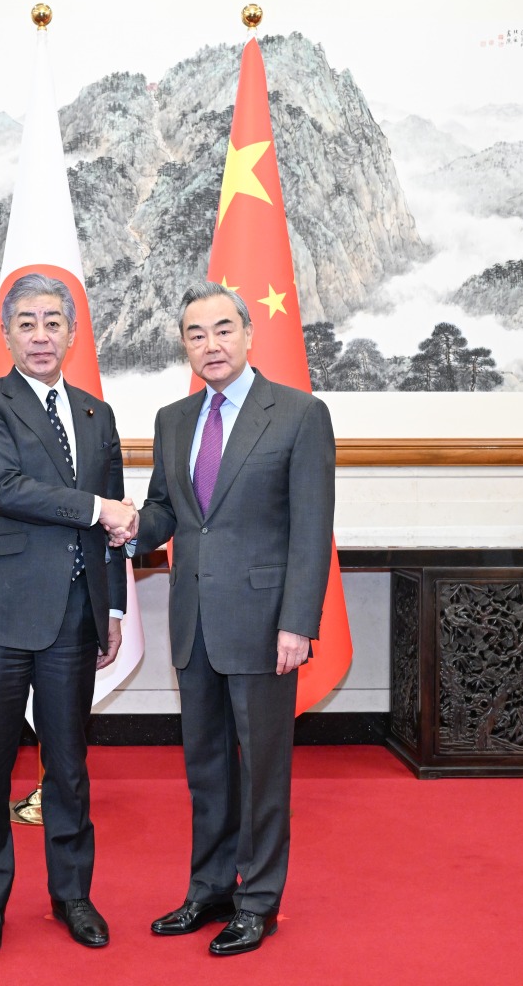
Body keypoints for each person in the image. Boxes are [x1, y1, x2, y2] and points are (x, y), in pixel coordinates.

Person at [0, 272, 138, 958]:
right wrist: (95, 509)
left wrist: (112, 607)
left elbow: (113, 523)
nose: (42, 335)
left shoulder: (95, 414)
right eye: (28, 323)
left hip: (73, 621)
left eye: (54, 322)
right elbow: (4, 487)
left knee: (70, 767)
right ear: (7, 333)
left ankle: (72, 894)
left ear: (74, 334)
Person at [132, 280, 335, 956]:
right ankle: (211, 889)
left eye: (222, 329)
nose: (210, 344)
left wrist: (297, 622)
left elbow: (312, 529)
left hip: (264, 622)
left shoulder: (300, 415)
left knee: (264, 768)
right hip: (193, 621)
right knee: (207, 766)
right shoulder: (173, 420)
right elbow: (166, 511)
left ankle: (258, 900)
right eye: (195, 334)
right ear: (185, 345)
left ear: (248, 334)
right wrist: (123, 527)